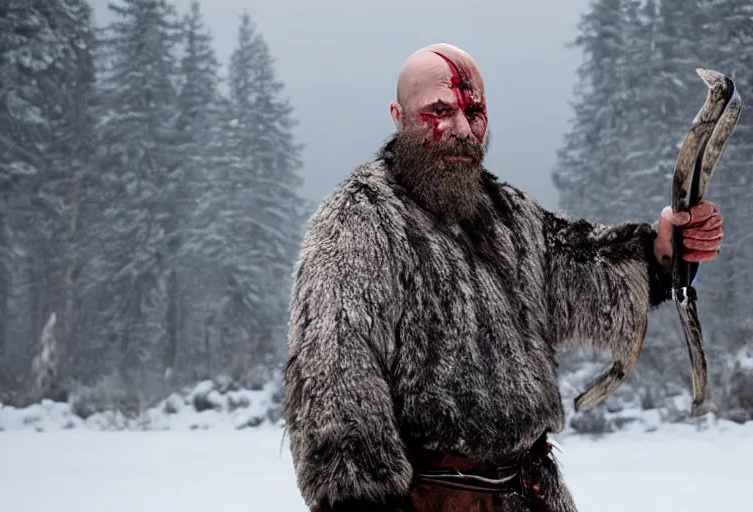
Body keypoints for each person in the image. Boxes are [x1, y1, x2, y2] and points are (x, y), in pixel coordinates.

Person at [282, 43, 724, 512]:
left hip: (529, 494)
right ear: (398, 114)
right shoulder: (358, 221)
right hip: (429, 501)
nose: (460, 128)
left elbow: (580, 272)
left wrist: (660, 250)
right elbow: (333, 384)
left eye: (474, 112)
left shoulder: (507, 213)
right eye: (439, 110)